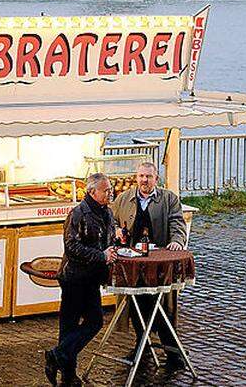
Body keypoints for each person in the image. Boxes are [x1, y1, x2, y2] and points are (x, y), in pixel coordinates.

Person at [110, 161, 188, 372]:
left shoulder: (168, 199)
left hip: (159, 264)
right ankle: (141, 344)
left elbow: (177, 223)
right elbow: (112, 220)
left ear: (156, 179)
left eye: (149, 177)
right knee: (135, 303)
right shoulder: (124, 198)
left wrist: (177, 241)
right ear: (137, 177)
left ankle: (172, 352)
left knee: (161, 307)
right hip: (133, 264)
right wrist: (116, 231)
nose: (145, 180)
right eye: (141, 176)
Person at [46, 173, 117, 386]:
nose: (110, 193)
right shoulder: (78, 214)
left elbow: (106, 238)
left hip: (91, 277)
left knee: (92, 322)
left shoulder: (107, 213)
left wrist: (116, 241)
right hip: (74, 278)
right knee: (73, 325)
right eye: (106, 190)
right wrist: (101, 256)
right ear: (92, 192)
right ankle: (67, 374)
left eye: (110, 189)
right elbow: (72, 247)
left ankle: (58, 358)